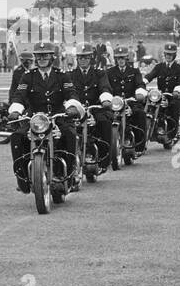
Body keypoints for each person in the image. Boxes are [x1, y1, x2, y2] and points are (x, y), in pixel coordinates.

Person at [6, 42, 84, 192]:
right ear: (35, 57)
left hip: (58, 116)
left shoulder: (62, 75)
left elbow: (71, 93)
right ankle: (22, 177)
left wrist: (72, 106)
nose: (42, 58)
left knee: (70, 134)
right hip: (35, 118)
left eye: (45, 55)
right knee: (17, 136)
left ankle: (71, 174)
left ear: (52, 57)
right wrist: (15, 110)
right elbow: (19, 95)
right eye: (39, 55)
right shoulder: (28, 76)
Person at [76, 46, 116, 170]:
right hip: (76, 110)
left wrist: (105, 99)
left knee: (104, 122)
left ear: (91, 58)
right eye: (80, 57)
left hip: (96, 108)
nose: (83, 60)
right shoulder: (70, 75)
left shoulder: (99, 73)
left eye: (86, 57)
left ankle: (104, 159)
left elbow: (105, 87)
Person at [144, 41, 180, 134]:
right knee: (148, 105)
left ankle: (173, 131)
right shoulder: (159, 67)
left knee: (174, 105)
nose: (168, 56)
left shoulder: (179, 68)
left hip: (175, 96)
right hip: (161, 96)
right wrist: (141, 84)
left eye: (170, 54)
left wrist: (177, 91)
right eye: (167, 54)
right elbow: (150, 76)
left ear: (174, 55)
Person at [108, 46, 147, 151]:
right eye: (118, 58)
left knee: (140, 114)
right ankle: (107, 147)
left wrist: (139, 94)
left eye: (123, 58)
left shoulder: (134, 71)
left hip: (131, 102)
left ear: (126, 58)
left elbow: (140, 84)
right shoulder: (109, 72)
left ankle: (140, 145)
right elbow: (106, 87)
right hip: (115, 103)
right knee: (104, 118)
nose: (120, 60)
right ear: (116, 59)